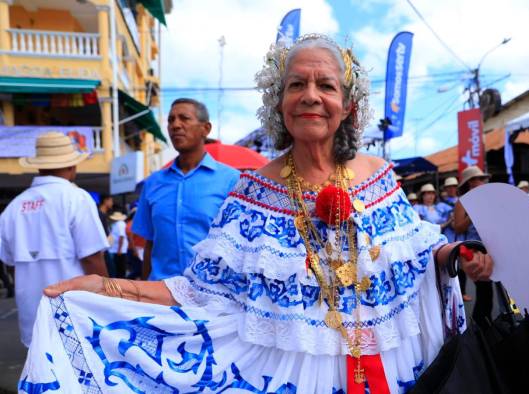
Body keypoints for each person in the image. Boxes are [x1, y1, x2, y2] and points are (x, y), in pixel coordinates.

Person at [28, 34, 493, 392]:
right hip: (289, 373)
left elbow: (419, 250)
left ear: (348, 105)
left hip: (388, 366)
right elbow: (198, 290)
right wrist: (104, 286)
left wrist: (460, 253)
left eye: (325, 85)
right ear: (280, 104)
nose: (311, 95)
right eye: (297, 85)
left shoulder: (379, 176)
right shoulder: (251, 191)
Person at [0, 132, 108, 347]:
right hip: (75, 315)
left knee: (42, 378)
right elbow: (92, 258)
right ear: (72, 167)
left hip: (33, 318)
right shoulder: (76, 198)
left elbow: (11, 265)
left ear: (39, 166)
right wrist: (110, 296)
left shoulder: (12, 209)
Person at [132, 98, 240, 280]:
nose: (175, 125)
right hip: (161, 295)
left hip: (211, 295)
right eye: (171, 120)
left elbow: (240, 244)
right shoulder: (152, 183)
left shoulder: (231, 180)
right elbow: (150, 242)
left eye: (184, 118)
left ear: (205, 129)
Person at [452, 166, 492, 317]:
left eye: (482, 179)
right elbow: (458, 228)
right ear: (470, 182)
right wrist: (474, 212)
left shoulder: (487, 200)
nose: (482, 182)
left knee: (490, 292)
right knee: (485, 291)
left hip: (490, 249)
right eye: (479, 179)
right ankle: (481, 327)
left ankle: (484, 327)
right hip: (473, 250)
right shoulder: (462, 203)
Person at [107, 210, 129, 278]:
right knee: (117, 268)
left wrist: (119, 249)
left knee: (120, 269)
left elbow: (121, 236)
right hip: (115, 249)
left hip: (119, 250)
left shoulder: (120, 224)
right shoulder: (115, 224)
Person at [441, 177, 462, 243]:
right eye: (449, 187)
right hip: (448, 237)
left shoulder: (462, 200)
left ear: (456, 188)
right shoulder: (440, 205)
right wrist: (449, 220)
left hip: (462, 236)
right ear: (445, 189)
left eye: (454, 186)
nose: (451, 189)